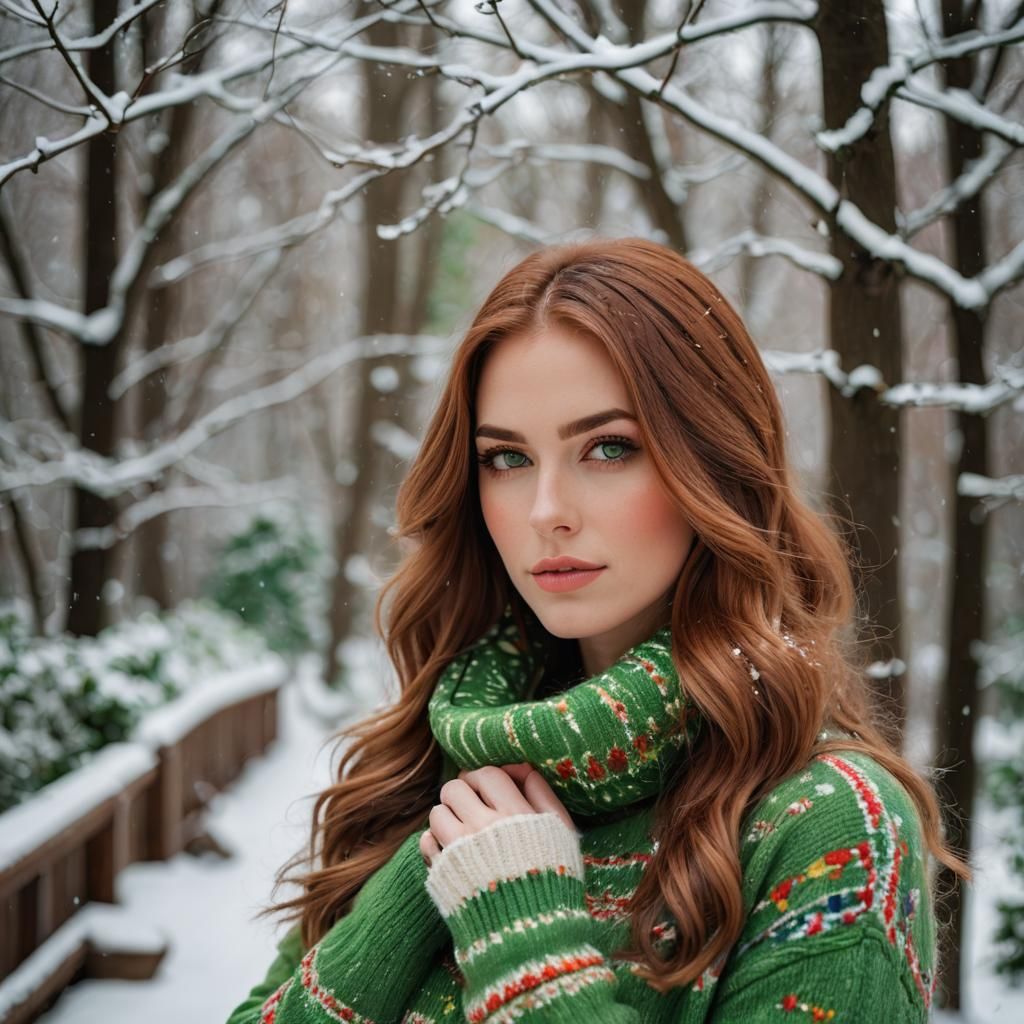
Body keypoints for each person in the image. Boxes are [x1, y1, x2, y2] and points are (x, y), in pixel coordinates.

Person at [225, 238, 969, 1024]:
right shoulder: (424, 770)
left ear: (714, 466)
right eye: (506, 458)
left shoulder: (829, 823)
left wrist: (527, 948)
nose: (547, 510)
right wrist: (422, 877)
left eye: (609, 448)